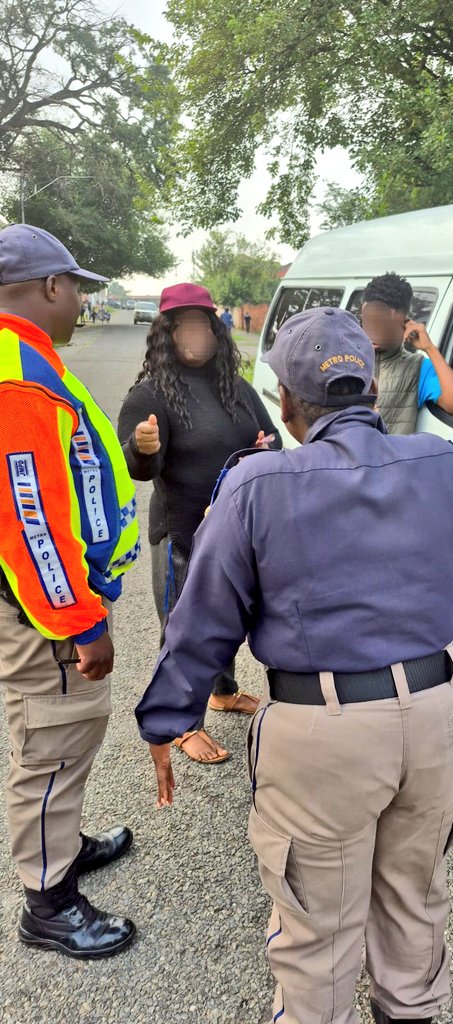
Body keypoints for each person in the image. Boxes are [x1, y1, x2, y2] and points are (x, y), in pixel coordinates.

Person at [135, 307, 453, 1024]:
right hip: (437, 717)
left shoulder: (255, 484)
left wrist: (166, 719)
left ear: (285, 403)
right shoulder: (444, 465)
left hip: (325, 732)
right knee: (413, 901)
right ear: (372, 385)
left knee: (317, 932)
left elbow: (203, 620)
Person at [0, 224, 138, 958]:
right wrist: (82, 621)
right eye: (77, 288)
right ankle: (48, 902)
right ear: (52, 286)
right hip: (47, 610)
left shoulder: (27, 357)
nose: (81, 301)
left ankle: (62, 842)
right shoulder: (17, 372)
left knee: (63, 738)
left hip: (43, 601)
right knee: (50, 743)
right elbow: (31, 522)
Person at [118, 283, 281, 764]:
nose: (194, 333)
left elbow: (270, 438)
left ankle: (223, 691)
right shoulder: (151, 393)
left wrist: (264, 447)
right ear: (166, 333)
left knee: (228, 617)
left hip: (232, 530)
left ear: (215, 330)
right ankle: (182, 725)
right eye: (182, 325)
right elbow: (138, 467)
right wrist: (142, 448)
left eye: (202, 323)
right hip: (181, 532)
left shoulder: (235, 386)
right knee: (182, 629)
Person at [360, 272, 453, 434]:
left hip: (392, 458)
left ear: (404, 323)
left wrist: (430, 349)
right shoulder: (345, 359)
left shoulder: (418, 367)